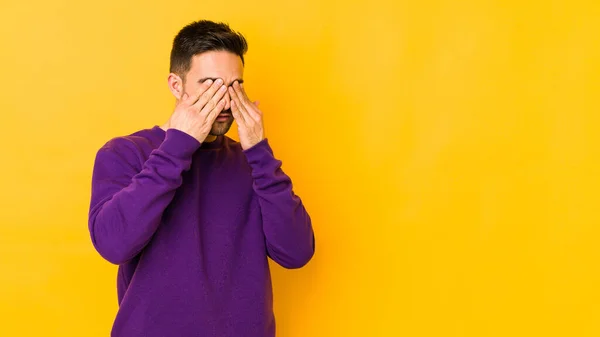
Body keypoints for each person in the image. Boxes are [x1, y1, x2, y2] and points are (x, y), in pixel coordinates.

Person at [87, 19, 315, 337]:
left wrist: (260, 154)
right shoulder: (125, 153)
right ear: (176, 85)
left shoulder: (251, 163)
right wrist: (178, 146)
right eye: (210, 85)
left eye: (235, 86)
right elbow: (113, 244)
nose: (225, 101)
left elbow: (296, 252)